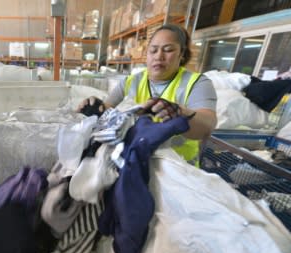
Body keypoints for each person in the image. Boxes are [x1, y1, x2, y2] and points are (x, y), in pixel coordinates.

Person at [79, 24, 217, 166]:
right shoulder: (131, 81)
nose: (159, 56)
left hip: (178, 170)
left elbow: (207, 125)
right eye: (153, 50)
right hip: (135, 163)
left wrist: (180, 113)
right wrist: (93, 108)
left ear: (181, 54)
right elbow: (105, 110)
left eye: (168, 50)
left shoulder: (196, 83)